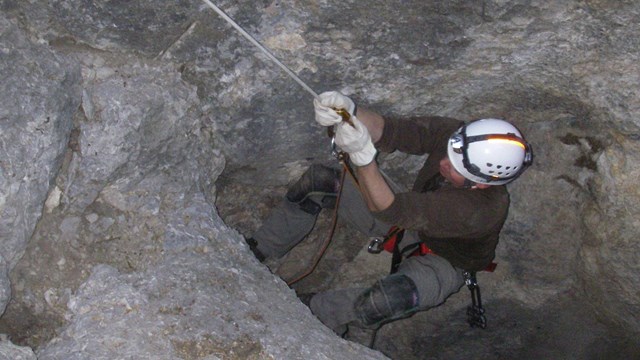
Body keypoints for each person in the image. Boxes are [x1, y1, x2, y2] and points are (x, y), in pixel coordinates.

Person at [246, 91, 533, 336]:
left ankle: (306, 313)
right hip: (414, 222)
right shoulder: (458, 138)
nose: (444, 163)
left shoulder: (479, 210)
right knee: (319, 182)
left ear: (480, 183)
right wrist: (351, 114)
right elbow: (393, 130)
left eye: (455, 168)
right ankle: (256, 251)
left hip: (447, 261)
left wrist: (364, 160)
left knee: (387, 300)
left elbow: (391, 209)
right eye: (448, 153)